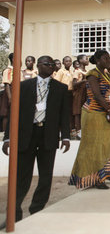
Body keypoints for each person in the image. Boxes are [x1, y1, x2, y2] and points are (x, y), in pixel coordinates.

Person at [2, 56, 71, 222]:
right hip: (27, 135)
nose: (51, 67)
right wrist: (7, 138)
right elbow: (14, 113)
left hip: (48, 135)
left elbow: (64, 115)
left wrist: (66, 137)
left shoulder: (61, 88)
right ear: (39, 66)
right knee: (21, 177)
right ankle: (13, 214)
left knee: (46, 176)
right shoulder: (23, 86)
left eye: (53, 65)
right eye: (47, 64)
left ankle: (36, 210)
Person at [69, 50, 110, 190]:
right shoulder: (92, 74)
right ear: (98, 60)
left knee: (109, 144)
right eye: (105, 58)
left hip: (108, 112)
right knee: (95, 145)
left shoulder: (108, 74)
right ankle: (96, 178)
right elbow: (97, 95)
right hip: (94, 113)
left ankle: (108, 173)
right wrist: (109, 110)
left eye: (109, 58)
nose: (108, 60)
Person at [54, 56, 74, 137]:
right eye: (66, 61)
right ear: (63, 63)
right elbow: (56, 82)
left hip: (70, 93)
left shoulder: (72, 72)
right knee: (61, 112)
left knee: (68, 112)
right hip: (62, 93)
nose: (68, 62)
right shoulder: (61, 71)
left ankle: (68, 131)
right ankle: (58, 131)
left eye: (70, 61)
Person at [72, 54, 89, 140]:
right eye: (86, 59)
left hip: (86, 93)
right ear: (80, 61)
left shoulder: (86, 71)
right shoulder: (77, 71)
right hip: (79, 93)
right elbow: (74, 84)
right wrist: (83, 81)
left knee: (85, 111)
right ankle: (78, 131)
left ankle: (84, 129)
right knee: (78, 111)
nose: (88, 60)